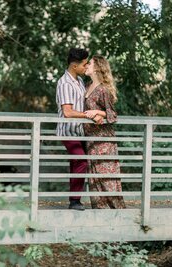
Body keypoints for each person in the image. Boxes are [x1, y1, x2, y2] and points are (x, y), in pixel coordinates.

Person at [56, 48, 104, 211]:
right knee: (81, 161)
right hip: (68, 131)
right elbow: (68, 112)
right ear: (74, 65)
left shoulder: (80, 81)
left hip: (81, 131)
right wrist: (89, 116)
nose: (86, 67)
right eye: (84, 64)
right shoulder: (64, 83)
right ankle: (75, 201)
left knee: (77, 163)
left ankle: (74, 198)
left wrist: (97, 113)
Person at [83, 55, 126, 209]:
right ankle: (100, 211)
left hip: (104, 139)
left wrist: (97, 112)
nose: (86, 65)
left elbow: (113, 114)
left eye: (90, 63)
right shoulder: (87, 86)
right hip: (91, 139)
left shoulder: (103, 89)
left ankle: (118, 211)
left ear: (97, 67)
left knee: (106, 176)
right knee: (95, 178)